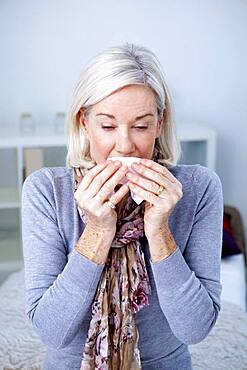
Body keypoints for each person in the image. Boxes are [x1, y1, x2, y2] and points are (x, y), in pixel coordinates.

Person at [21, 43, 224, 370]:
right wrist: (97, 232)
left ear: (160, 123)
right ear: (84, 123)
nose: (126, 144)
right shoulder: (46, 191)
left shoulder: (200, 188)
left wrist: (159, 231)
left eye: (141, 125)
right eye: (108, 126)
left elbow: (196, 329)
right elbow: (50, 331)